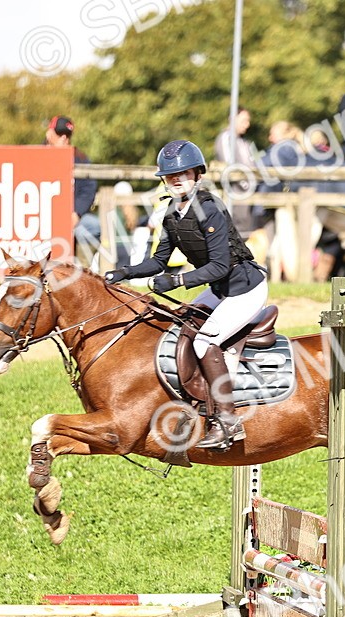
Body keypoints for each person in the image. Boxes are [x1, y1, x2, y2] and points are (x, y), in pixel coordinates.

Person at [104, 140, 268, 450]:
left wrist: (176, 280)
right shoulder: (171, 212)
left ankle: (228, 421)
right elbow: (158, 262)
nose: (176, 179)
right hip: (220, 290)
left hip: (245, 290)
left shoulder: (211, 208)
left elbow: (220, 266)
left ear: (198, 174)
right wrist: (124, 272)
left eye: (184, 173)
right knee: (179, 325)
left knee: (204, 341)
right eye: (171, 175)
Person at [45, 115, 101, 257]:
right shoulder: (40, 155)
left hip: (71, 216)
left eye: (67, 135)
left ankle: (83, 265)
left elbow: (88, 190)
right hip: (45, 216)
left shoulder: (80, 158)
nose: (64, 139)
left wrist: (76, 213)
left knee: (95, 226)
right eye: (59, 135)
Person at [213, 107, 258, 237]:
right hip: (235, 192)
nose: (247, 124)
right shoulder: (226, 138)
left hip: (248, 194)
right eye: (244, 120)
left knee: (248, 230)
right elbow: (230, 166)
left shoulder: (245, 142)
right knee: (236, 231)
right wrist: (247, 185)